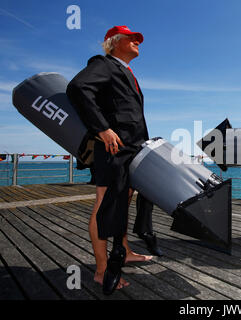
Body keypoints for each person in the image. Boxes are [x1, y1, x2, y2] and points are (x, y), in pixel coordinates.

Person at [67, 25, 162, 295]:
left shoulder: (124, 70)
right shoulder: (105, 64)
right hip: (112, 147)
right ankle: (100, 270)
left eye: (137, 39)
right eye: (131, 38)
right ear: (114, 42)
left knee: (124, 199)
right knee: (103, 203)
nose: (137, 42)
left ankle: (126, 251)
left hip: (130, 147)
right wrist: (101, 128)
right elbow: (77, 88)